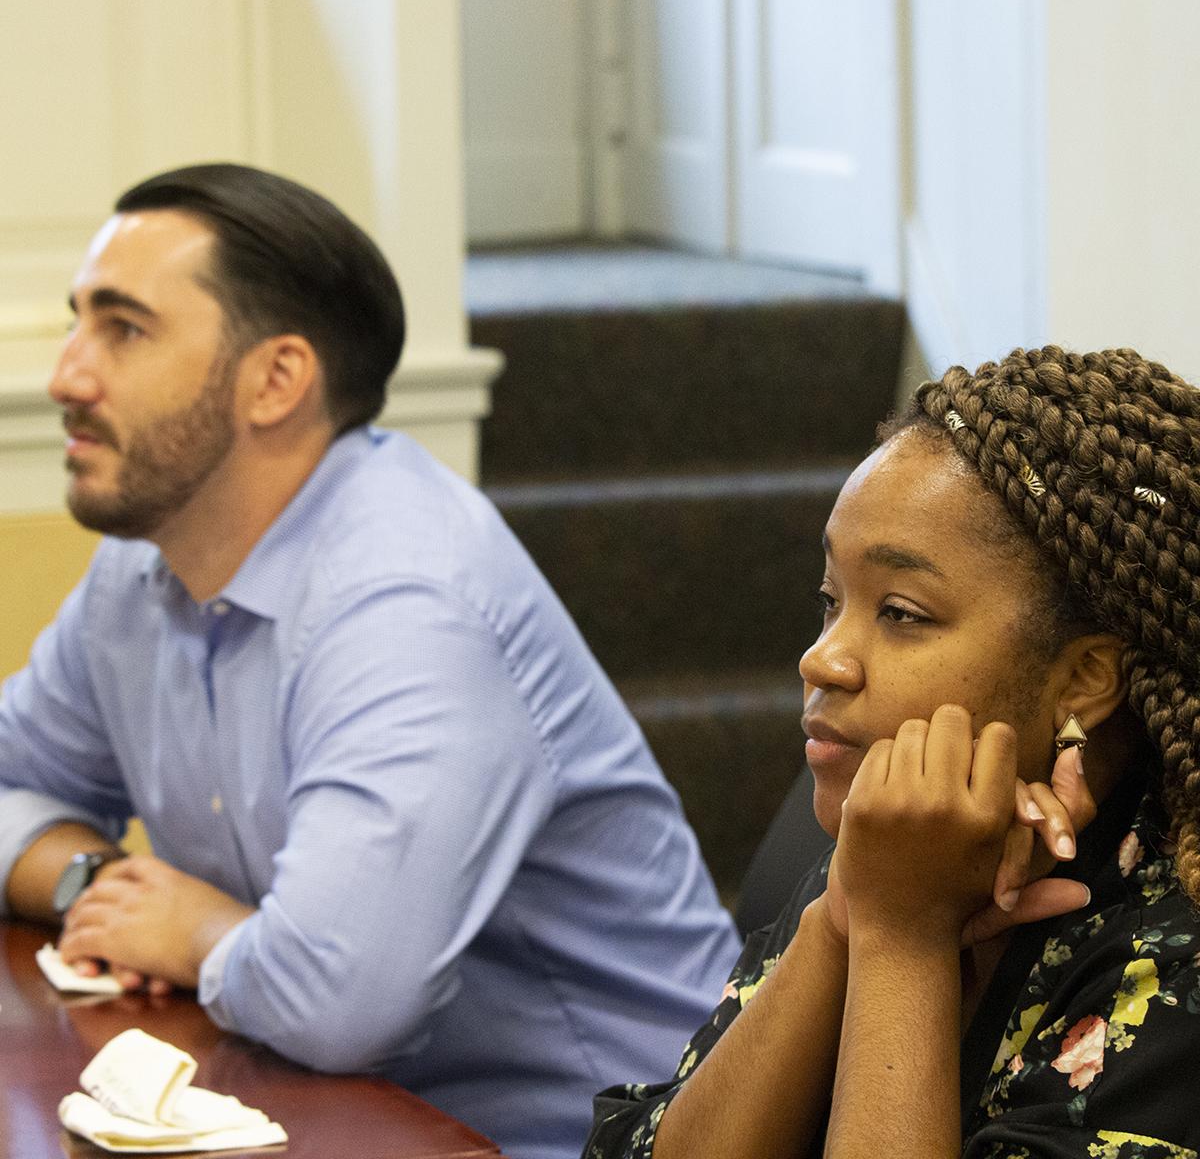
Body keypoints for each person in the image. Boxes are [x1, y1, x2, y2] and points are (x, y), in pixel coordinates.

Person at [0, 163, 742, 1159]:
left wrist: (194, 935)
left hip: (598, 1136)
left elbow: (338, 998)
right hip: (330, 1109)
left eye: (123, 329)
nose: (66, 376)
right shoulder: (141, 570)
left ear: (277, 380)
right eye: (77, 321)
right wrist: (94, 879)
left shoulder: (409, 597)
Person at [584, 345, 1200, 1158]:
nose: (822, 659)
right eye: (830, 601)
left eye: (902, 612)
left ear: (1084, 678)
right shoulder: (896, 852)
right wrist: (845, 919)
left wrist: (902, 940)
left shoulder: (1177, 964)